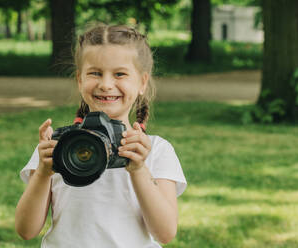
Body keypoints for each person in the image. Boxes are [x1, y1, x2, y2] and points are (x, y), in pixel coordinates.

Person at [15, 24, 187, 248]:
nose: (106, 85)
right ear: (79, 80)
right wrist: (42, 173)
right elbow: (26, 230)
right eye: (95, 73)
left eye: (120, 74)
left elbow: (165, 234)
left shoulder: (156, 150)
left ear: (142, 82)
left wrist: (138, 169)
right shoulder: (59, 147)